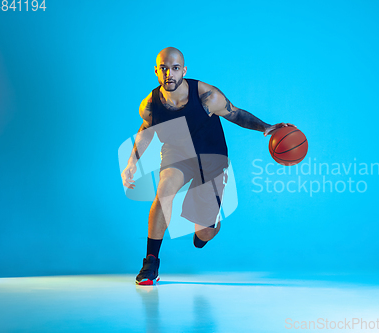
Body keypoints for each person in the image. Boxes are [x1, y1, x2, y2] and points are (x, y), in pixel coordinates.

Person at [121, 47, 295, 285]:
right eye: (163, 69)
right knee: (164, 191)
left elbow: (236, 114)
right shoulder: (150, 104)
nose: (168, 74)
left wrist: (266, 127)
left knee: (204, 232)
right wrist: (132, 162)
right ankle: (150, 263)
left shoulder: (207, 96)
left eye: (174, 68)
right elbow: (145, 131)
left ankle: (209, 225)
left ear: (184, 70)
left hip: (210, 158)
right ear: (156, 71)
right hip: (177, 155)